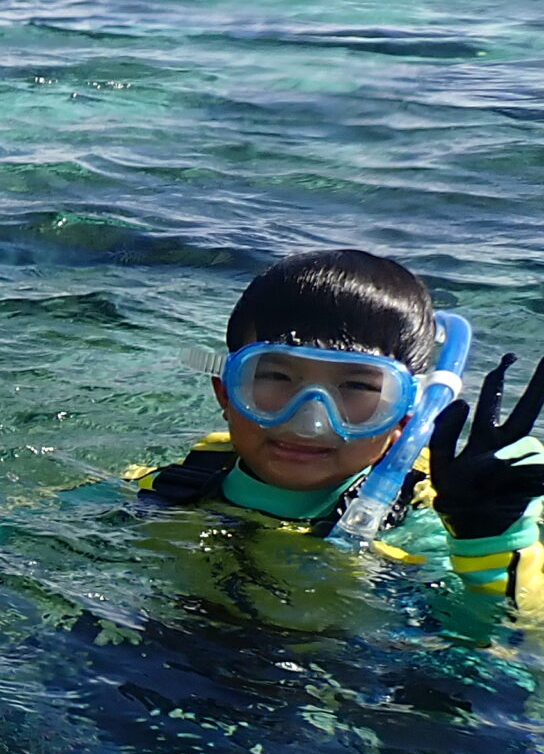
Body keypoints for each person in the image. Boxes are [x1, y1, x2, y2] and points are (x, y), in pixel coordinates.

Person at [136, 248, 544, 607]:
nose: (310, 422)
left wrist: (492, 543)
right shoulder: (174, 482)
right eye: (276, 377)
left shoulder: (429, 519)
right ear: (226, 393)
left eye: (357, 387)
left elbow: (517, 639)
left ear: (406, 414)